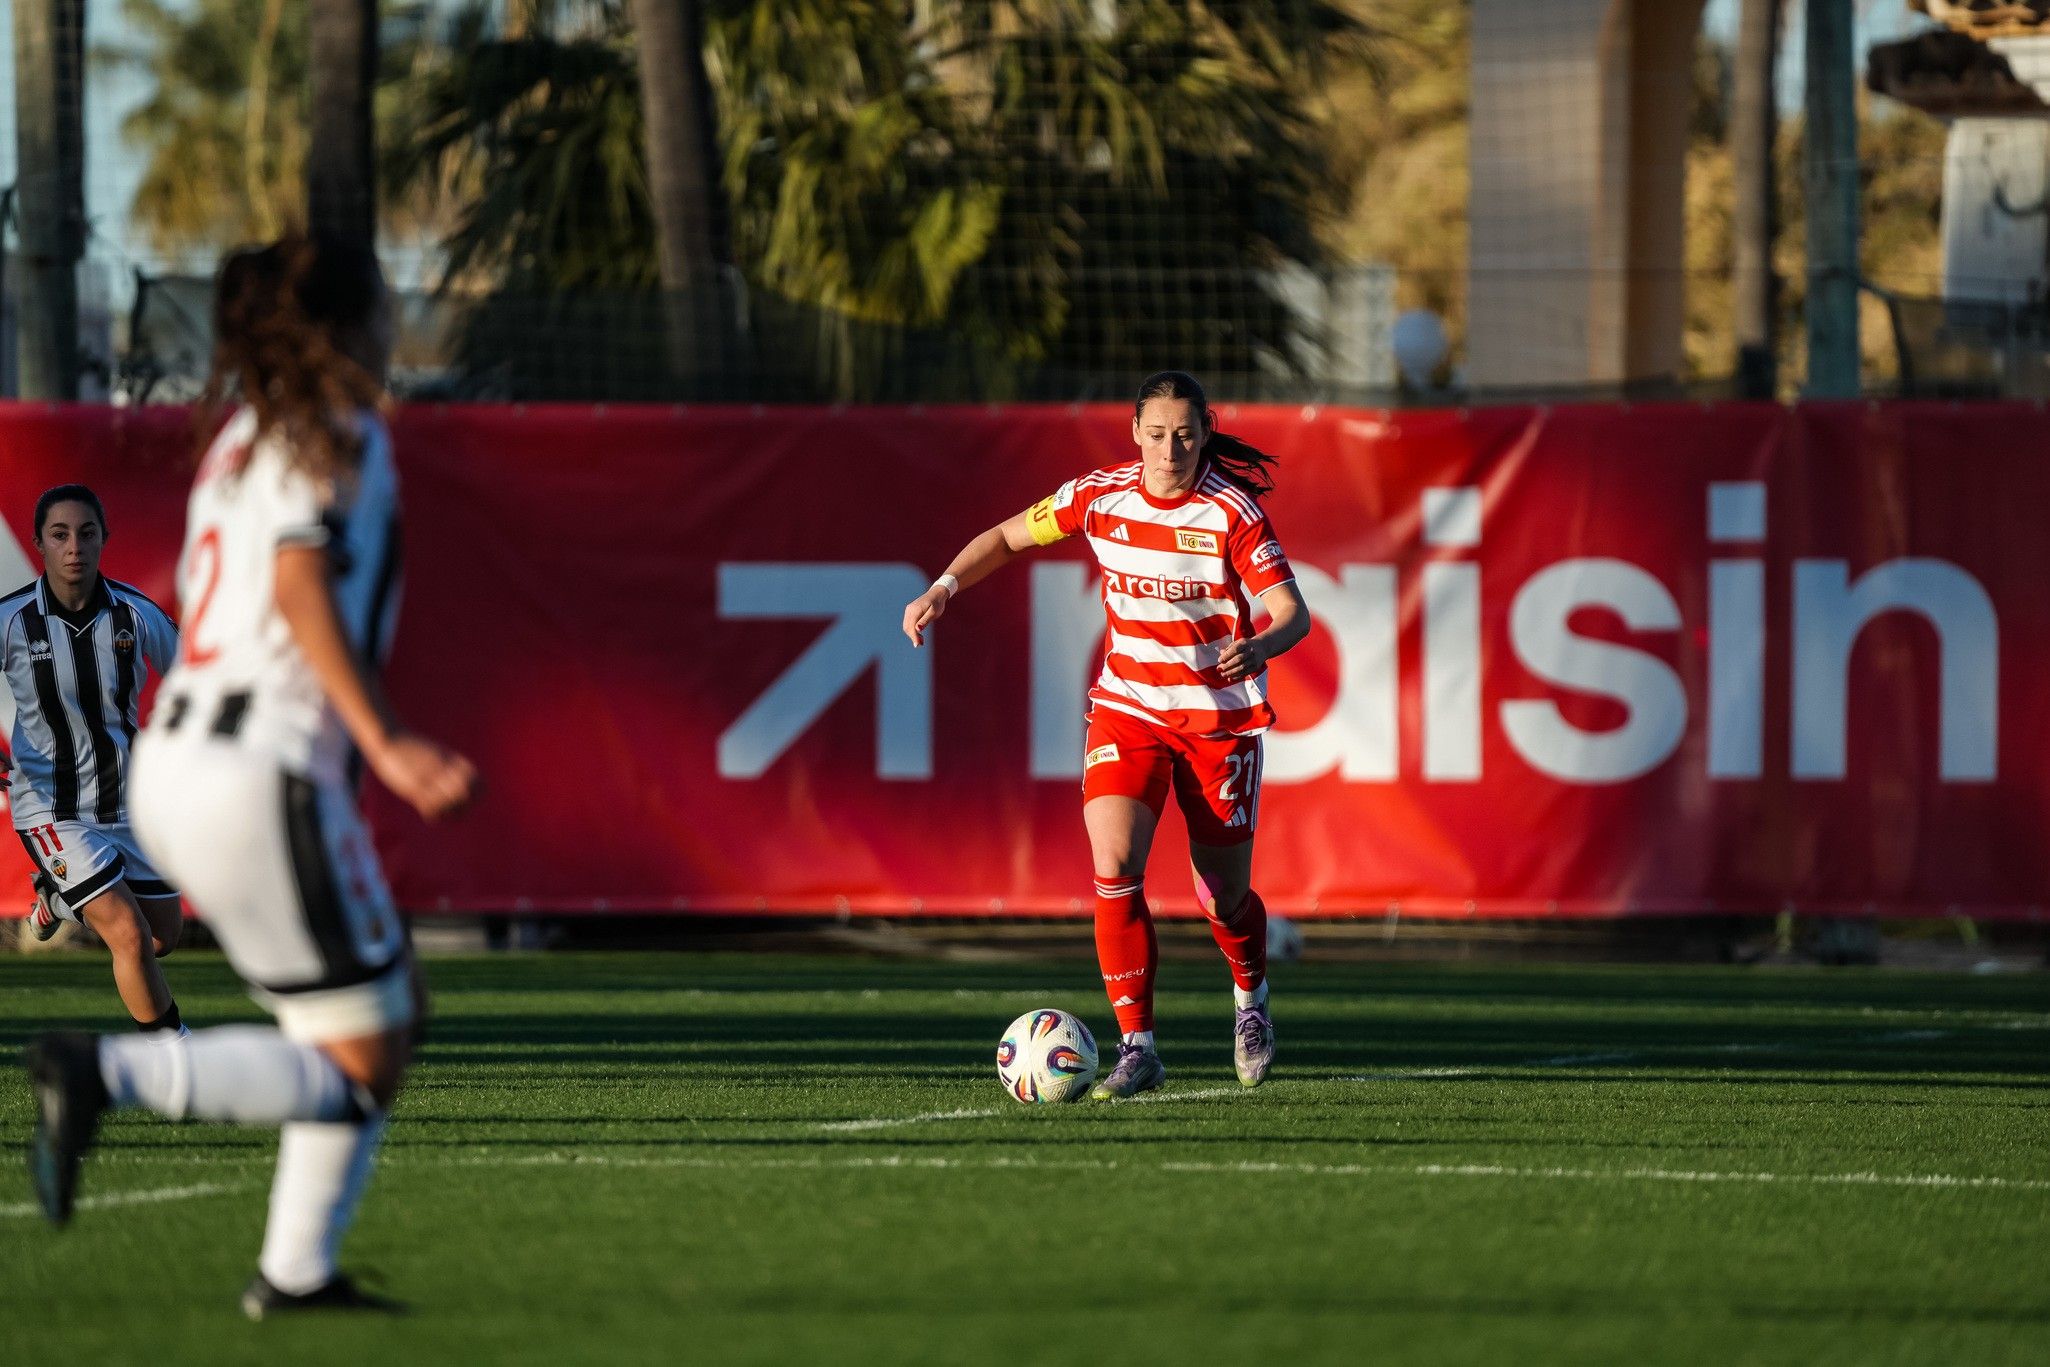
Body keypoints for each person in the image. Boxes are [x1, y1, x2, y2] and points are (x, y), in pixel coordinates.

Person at [22, 231, 478, 1320]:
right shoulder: (335, 429)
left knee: (380, 1017)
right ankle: (105, 1073)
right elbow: (299, 578)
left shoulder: (239, 440)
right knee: (364, 1056)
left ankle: (295, 1271)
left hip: (182, 761)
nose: (388, 322)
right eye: (375, 302)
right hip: (256, 766)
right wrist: (383, 739)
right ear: (344, 325)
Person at [903, 370, 1310, 1098]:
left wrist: (1261, 643)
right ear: (1134, 433)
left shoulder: (1231, 512)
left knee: (1222, 895)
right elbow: (1005, 535)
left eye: (1185, 434)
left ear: (1205, 430)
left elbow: (1291, 610)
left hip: (1218, 722)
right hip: (1129, 709)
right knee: (1115, 860)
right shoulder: (1100, 495)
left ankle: (1251, 1000)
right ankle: (1138, 1046)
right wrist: (943, 586)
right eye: (1156, 433)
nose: (1170, 448)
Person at [3, 484, 188, 1036]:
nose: (73, 547)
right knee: (128, 935)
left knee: (161, 938)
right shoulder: (14, 620)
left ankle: (57, 905)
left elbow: (197, 674)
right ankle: (174, 1059)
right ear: (39, 543)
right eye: (59, 534)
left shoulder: (135, 614)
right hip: (49, 807)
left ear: (104, 539)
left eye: (86, 533)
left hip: (127, 804)